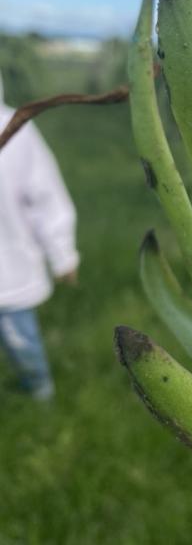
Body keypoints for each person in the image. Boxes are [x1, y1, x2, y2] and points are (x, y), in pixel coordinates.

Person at [0, 73, 79, 401]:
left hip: (8, 270)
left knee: (22, 340)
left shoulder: (16, 130)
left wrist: (63, 254)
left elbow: (46, 197)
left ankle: (40, 392)